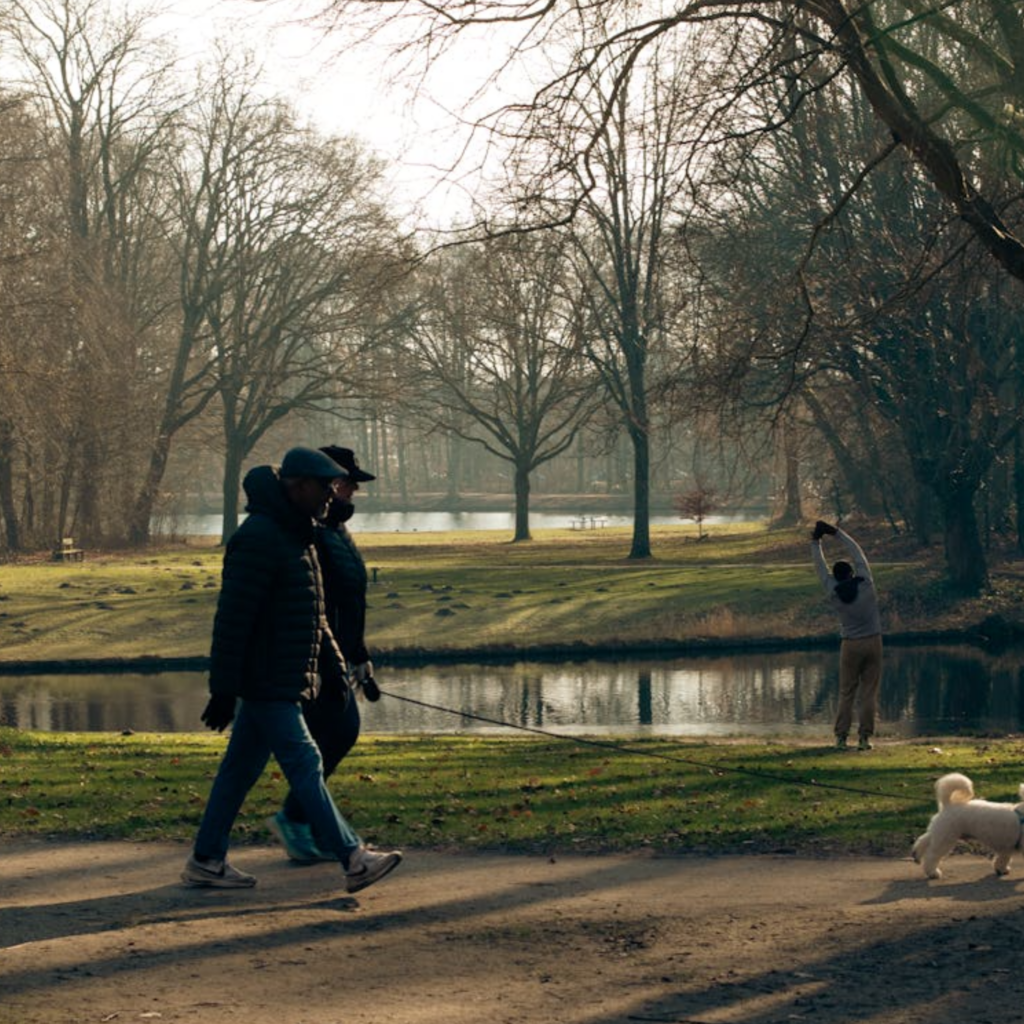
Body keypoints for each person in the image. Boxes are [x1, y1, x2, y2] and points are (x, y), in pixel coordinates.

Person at [181, 446, 402, 893]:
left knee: (239, 769)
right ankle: (353, 857)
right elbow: (233, 620)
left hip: (284, 675)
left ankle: (206, 859)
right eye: (324, 487)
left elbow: (314, 614)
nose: (330, 495)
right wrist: (223, 690)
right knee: (305, 760)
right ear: (297, 485)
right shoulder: (260, 536)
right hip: (265, 678)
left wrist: (337, 668)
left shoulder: (297, 534)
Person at [268, 445, 381, 863]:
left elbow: (351, 598)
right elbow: (316, 603)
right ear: (329, 483)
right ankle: (302, 822)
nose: (354, 490)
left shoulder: (337, 529)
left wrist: (360, 653)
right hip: (316, 658)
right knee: (335, 734)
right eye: (350, 482)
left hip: (339, 654)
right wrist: (332, 656)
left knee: (323, 741)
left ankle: (305, 823)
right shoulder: (312, 532)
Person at [811, 520, 883, 751]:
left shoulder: (833, 592)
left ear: (836, 576)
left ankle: (841, 738)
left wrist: (816, 541)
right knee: (869, 692)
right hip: (873, 641)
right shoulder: (866, 583)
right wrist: (836, 533)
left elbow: (819, 566)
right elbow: (858, 553)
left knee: (847, 692)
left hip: (850, 645)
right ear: (852, 573)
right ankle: (864, 739)